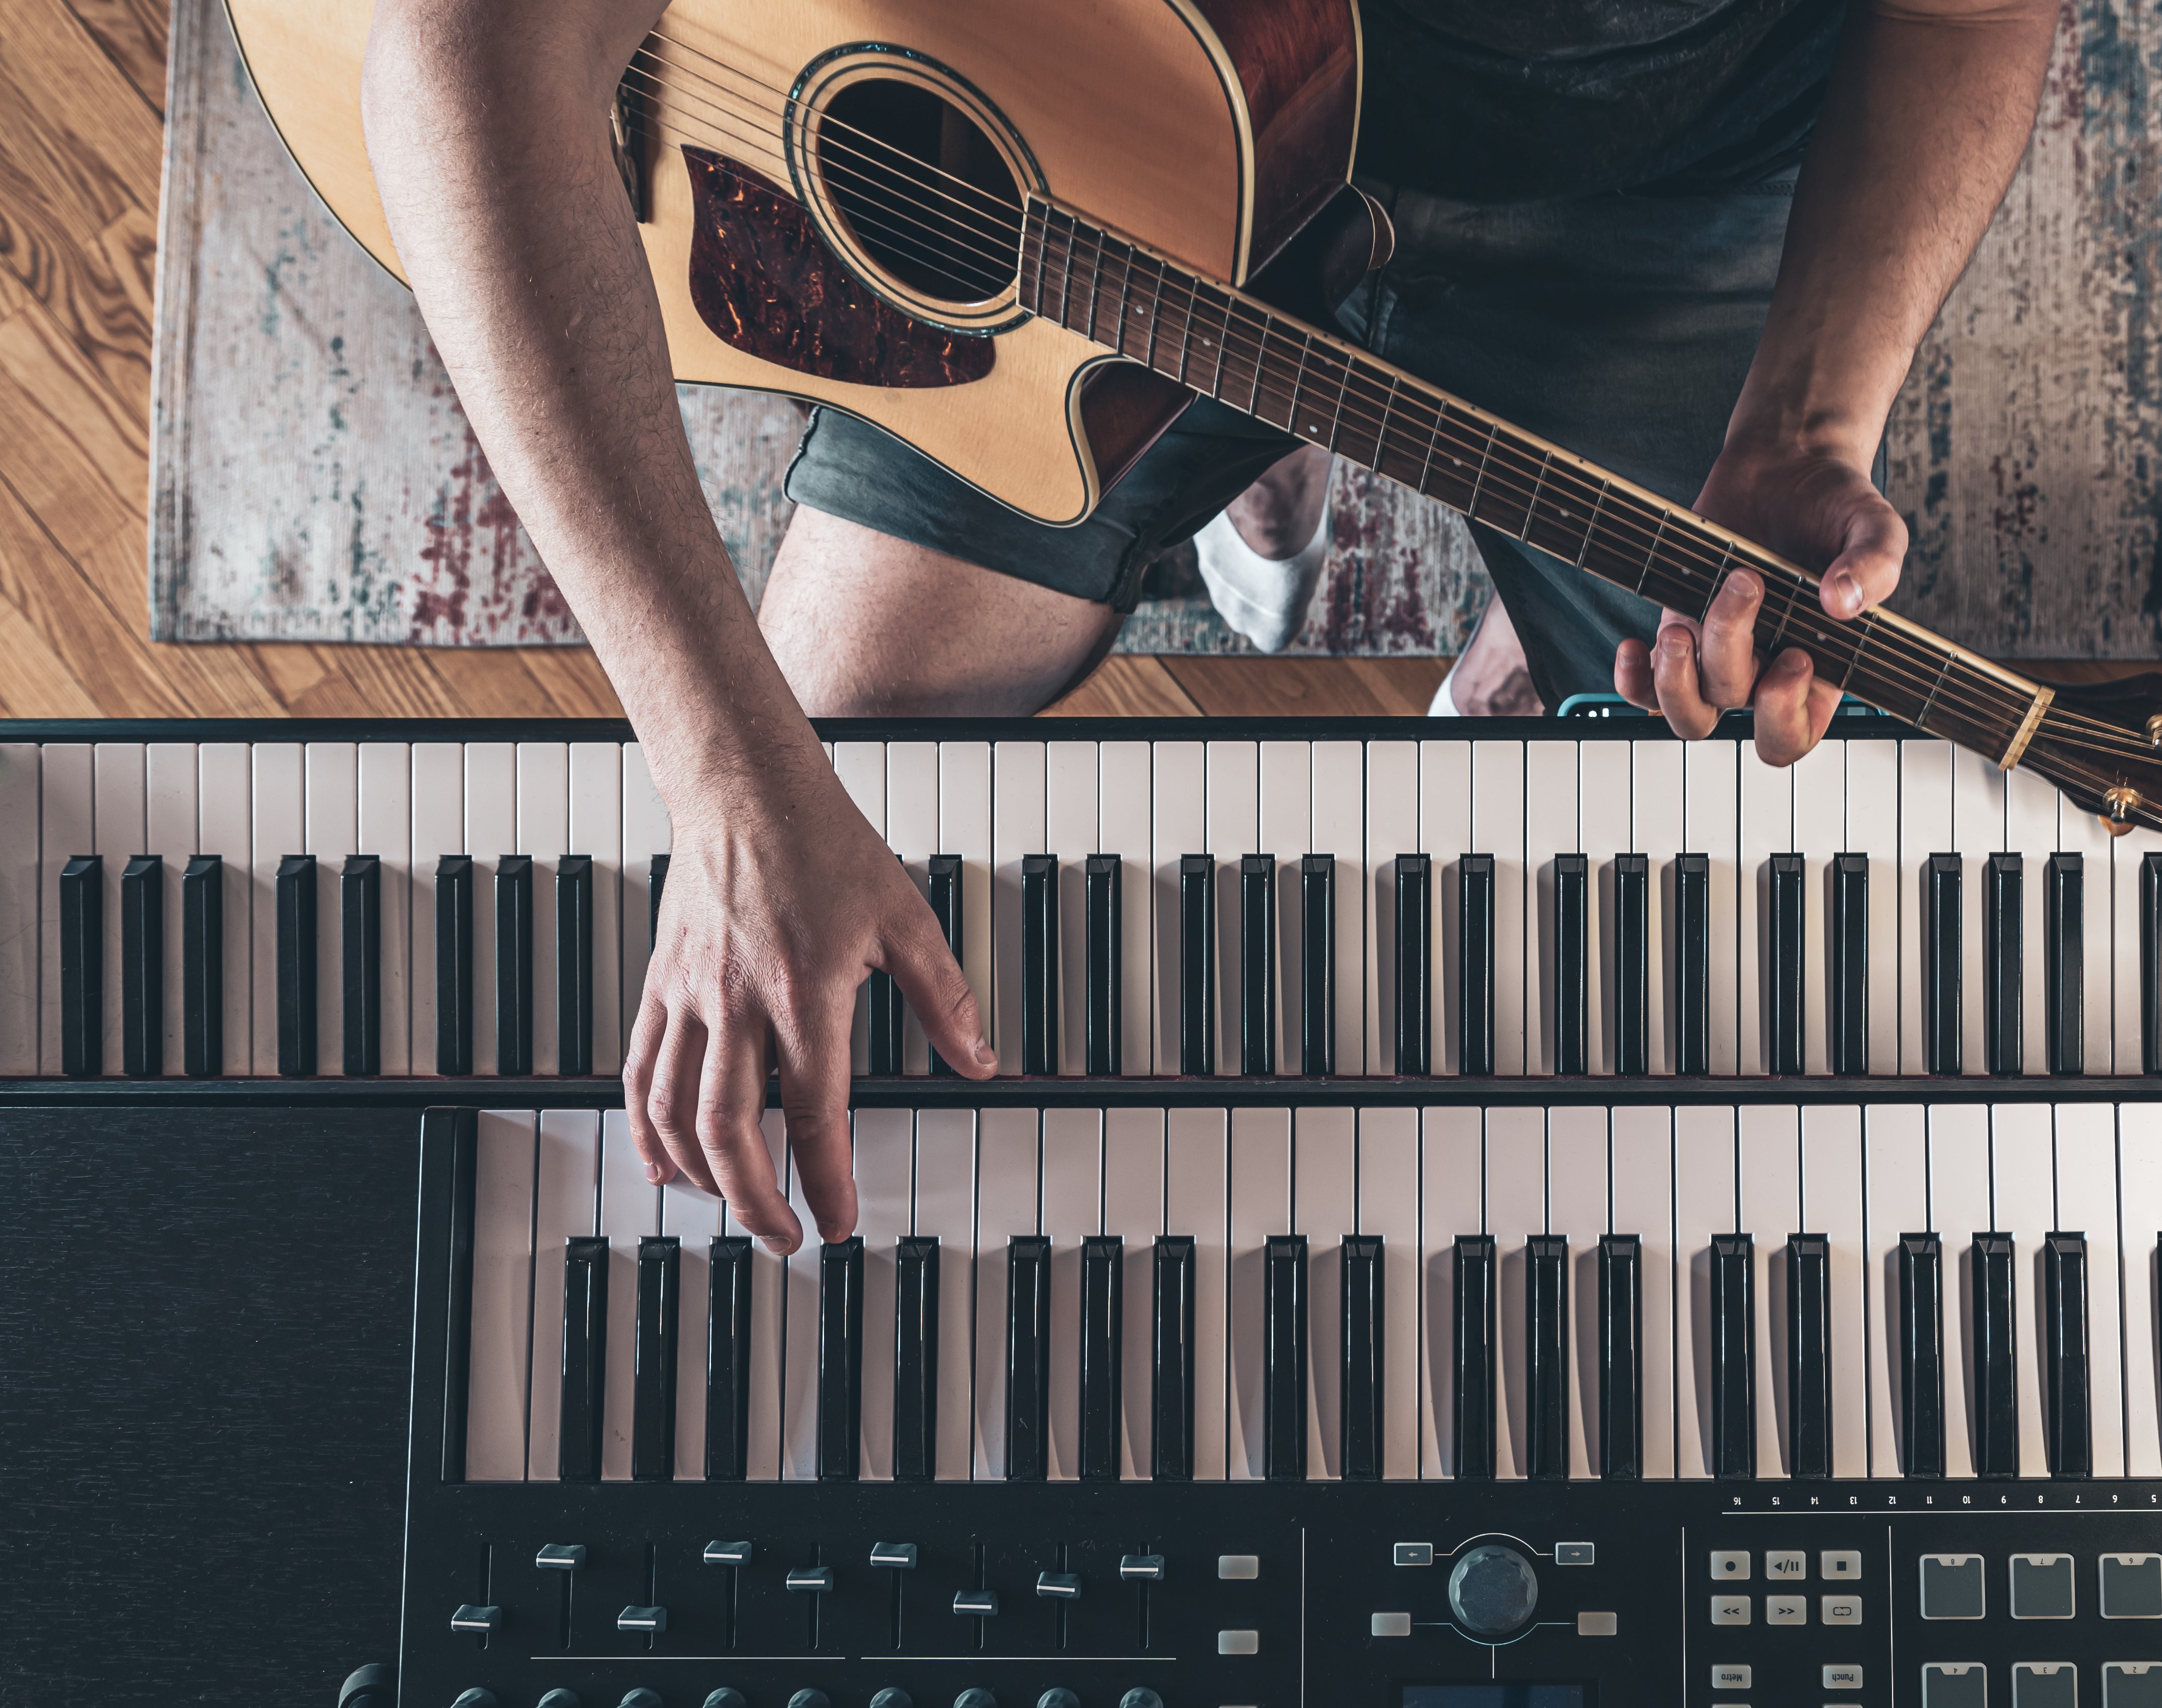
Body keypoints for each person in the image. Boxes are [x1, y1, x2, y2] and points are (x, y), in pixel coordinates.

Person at [360, 0, 2062, 1254]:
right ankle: (1275, 441)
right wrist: (732, 781)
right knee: (807, 771)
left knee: (1732, 890)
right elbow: (453, 48)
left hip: (1657, 180)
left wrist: (1815, 422)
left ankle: (1506, 645)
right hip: (1096, 172)